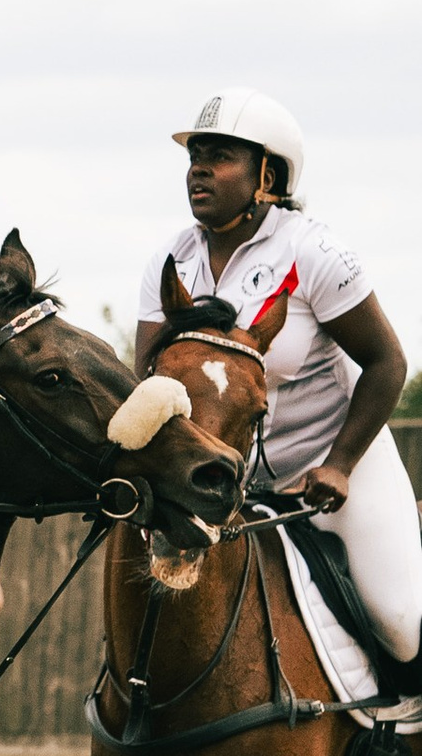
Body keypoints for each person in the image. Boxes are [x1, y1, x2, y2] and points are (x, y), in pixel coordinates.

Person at [135, 85, 416, 669]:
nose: (199, 170)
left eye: (220, 156)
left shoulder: (313, 252)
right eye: (194, 156)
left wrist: (338, 465)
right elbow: (147, 381)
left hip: (333, 470)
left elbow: (388, 363)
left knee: (402, 623)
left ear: (268, 174)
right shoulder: (170, 260)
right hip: (218, 482)